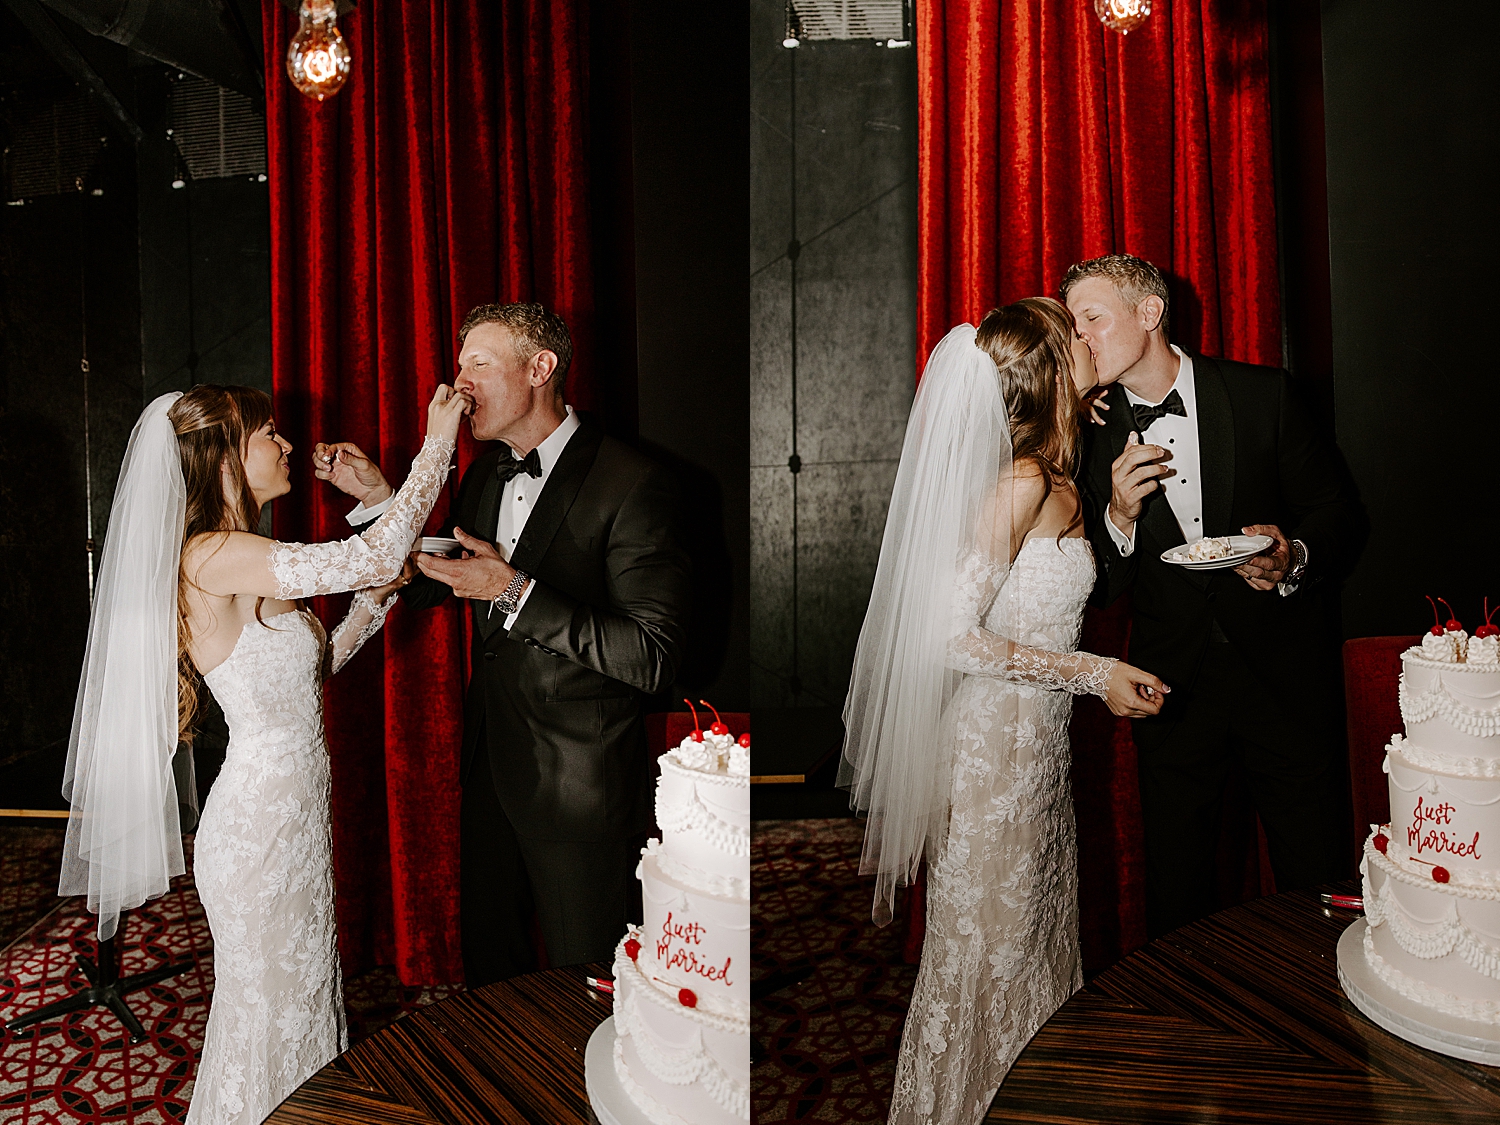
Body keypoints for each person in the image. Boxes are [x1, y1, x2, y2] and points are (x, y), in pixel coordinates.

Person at [57, 382, 468, 1124]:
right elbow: (372, 550)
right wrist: (437, 442)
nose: (286, 445)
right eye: (269, 434)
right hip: (259, 830)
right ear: (224, 458)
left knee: (305, 1000)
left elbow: (314, 670)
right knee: (267, 1017)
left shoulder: (242, 556)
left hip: (296, 820)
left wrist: (374, 602)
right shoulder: (212, 553)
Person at [840, 298, 1167, 1125]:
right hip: (993, 762)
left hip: (1037, 759)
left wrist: (1115, 513)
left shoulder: (1056, 470)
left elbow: (1041, 593)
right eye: (1074, 334)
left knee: (1032, 947)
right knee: (991, 955)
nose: (1089, 339)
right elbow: (950, 636)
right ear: (1052, 370)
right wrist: (1094, 672)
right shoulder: (1021, 481)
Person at [316, 302, 692, 984]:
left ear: (540, 368)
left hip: (581, 785)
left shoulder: (634, 481)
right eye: (459, 365)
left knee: (593, 978)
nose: (458, 383)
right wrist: (379, 500)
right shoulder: (485, 474)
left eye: (479, 364)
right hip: (491, 767)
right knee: (493, 975)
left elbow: (651, 656)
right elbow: (433, 584)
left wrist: (514, 590)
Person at [1065, 253, 1365, 938]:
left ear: (1149, 312)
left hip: (1283, 678)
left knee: (1317, 879)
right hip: (1170, 689)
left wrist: (1291, 556)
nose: (1080, 337)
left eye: (1092, 318)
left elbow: (1338, 512)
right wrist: (1118, 515)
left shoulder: (1264, 395)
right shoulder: (1087, 429)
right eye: (1073, 324)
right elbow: (1100, 589)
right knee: (1180, 894)